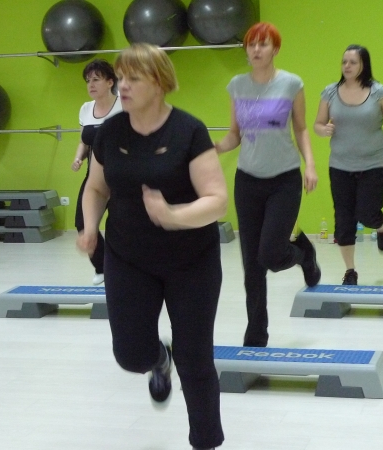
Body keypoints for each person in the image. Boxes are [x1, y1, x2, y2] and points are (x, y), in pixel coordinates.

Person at [77, 43, 227, 450]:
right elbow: (96, 188)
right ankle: (159, 360)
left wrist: (173, 215)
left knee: (195, 360)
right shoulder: (109, 133)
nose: (122, 86)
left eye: (133, 79)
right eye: (120, 78)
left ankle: (206, 442)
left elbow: (217, 200)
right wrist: (90, 227)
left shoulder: (189, 131)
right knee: (130, 354)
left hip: (191, 261)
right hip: (128, 257)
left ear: (159, 83)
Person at [215, 22, 321, 348]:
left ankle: (303, 254)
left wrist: (310, 165)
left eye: (263, 44)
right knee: (252, 266)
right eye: (251, 44)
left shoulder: (291, 84)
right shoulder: (237, 86)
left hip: (284, 180)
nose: (256, 50)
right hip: (247, 181)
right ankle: (256, 333)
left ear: (275, 49)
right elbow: (235, 134)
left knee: (271, 255)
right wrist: (212, 148)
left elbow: (301, 128)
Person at [313, 45, 383, 285]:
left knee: (367, 214)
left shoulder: (379, 93)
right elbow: (318, 125)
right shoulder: (330, 92)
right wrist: (324, 130)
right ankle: (350, 271)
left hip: (373, 163)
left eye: (352, 62)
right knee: (343, 221)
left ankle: (382, 226)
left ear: (364, 64)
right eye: (344, 62)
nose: (347, 66)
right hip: (340, 165)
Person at [72, 59, 122, 285]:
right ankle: (102, 267)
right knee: (83, 223)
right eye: (88, 81)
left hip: (121, 177)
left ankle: (122, 269)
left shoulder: (124, 106)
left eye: (96, 79)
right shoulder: (86, 108)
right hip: (95, 176)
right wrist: (78, 157)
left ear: (110, 82)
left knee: (121, 226)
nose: (91, 85)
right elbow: (84, 140)